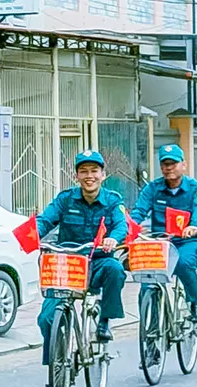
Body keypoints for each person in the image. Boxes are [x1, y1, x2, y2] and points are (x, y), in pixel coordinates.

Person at [35, 150, 127, 365]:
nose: (89, 176)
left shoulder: (113, 200)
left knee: (115, 270)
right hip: (67, 266)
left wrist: (113, 239)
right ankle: (56, 361)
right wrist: (34, 235)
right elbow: (45, 220)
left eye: (94, 171)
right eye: (83, 171)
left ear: (103, 175)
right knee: (47, 318)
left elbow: (120, 224)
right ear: (76, 176)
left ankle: (104, 320)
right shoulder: (65, 200)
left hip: (97, 262)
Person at [129, 144, 197, 323]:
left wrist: (194, 225)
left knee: (183, 264)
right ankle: (150, 328)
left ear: (183, 165)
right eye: (165, 164)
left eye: (173, 163)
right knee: (147, 280)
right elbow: (139, 211)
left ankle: (194, 303)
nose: (169, 168)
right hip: (161, 243)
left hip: (188, 241)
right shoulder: (152, 188)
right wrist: (131, 228)